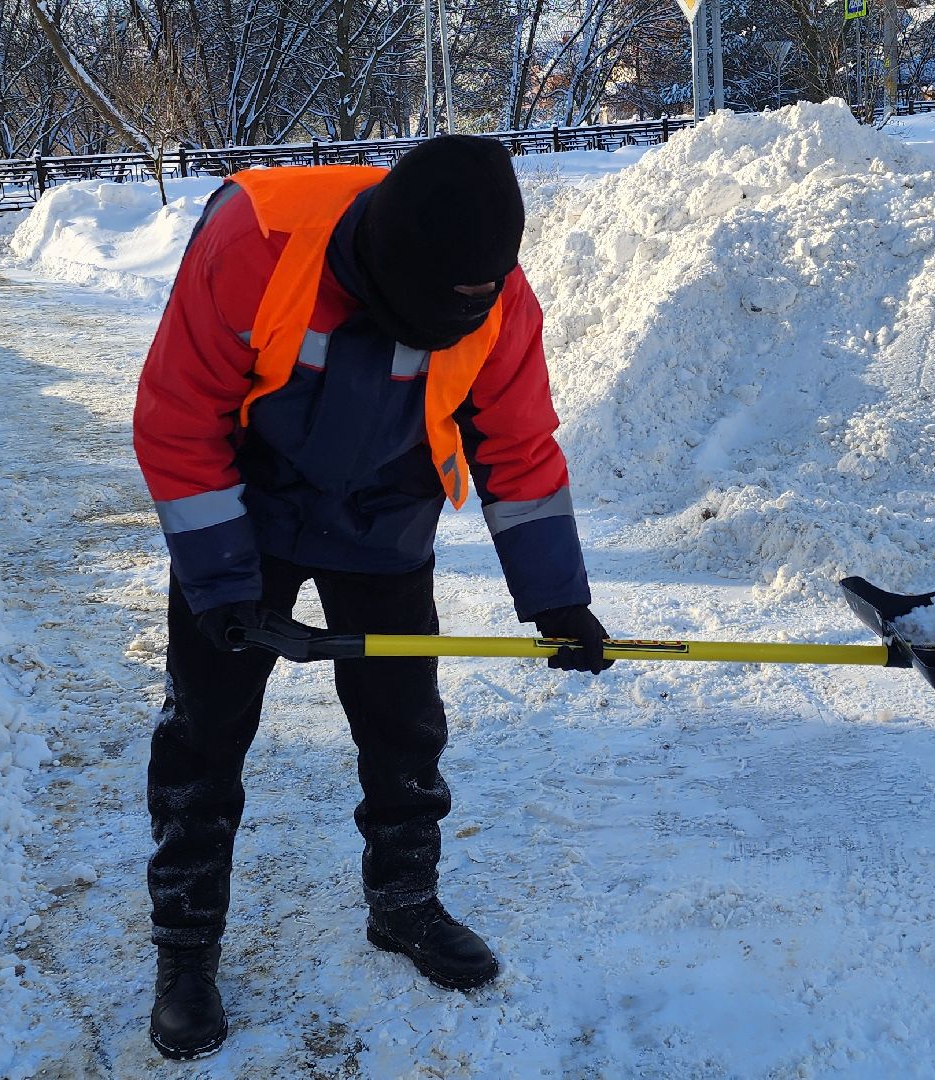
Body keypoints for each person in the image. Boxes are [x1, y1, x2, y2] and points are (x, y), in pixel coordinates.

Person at [130, 134, 614, 1061]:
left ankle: (403, 903)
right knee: (205, 727)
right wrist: (225, 584)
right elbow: (177, 420)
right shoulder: (256, 243)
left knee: (403, 722)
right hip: (247, 499)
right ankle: (185, 945)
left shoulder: (496, 295)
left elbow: (518, 447)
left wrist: (557, 600)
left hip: (386, 513)